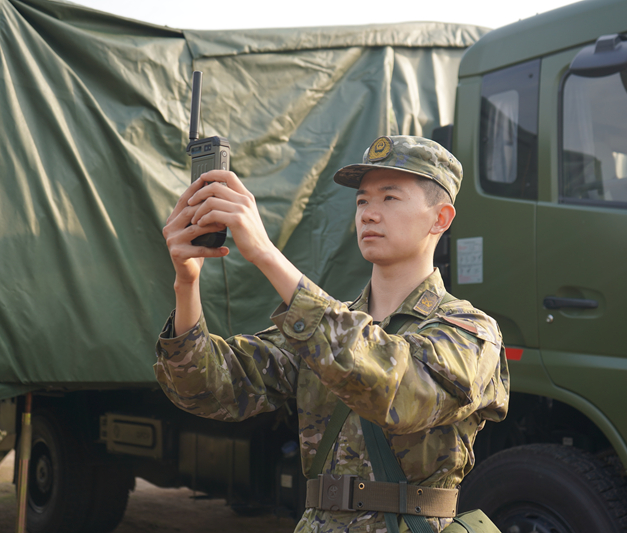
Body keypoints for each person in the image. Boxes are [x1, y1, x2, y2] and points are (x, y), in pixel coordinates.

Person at [155, 135, 510, 533]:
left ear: (440, 218)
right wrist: (187, 283)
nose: (369, 214)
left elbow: (401, 391)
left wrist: (266, 255)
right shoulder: (325, 327)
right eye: (362, 201)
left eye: (389, 198)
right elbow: (208, 389)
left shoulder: (470, 331)